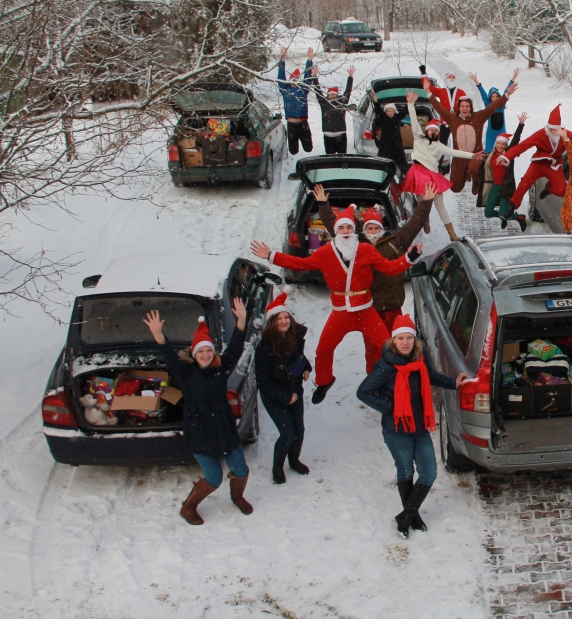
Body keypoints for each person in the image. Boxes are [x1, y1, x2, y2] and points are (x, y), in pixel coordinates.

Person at [250, 205, 422, 404]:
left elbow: (390, 268)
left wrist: (410, 258)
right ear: (336, 231)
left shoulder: (365, 250)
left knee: (388, 347)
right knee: (323, 350)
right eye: (342, 229)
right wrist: (272, 256)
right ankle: (324, 381)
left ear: (354, 230)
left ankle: (394, 381)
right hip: (341, 313)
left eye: (349, 228)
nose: (346, 232)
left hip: (366, 311)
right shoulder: (325, 253)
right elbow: (301, 264)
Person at [142, 299, 252, 525]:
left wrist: (241, 320)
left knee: (240, 469)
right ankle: (188, 507)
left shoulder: (221, 368)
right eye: (200, 351)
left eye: (208, 350)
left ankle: (238, 497)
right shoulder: (185, 372)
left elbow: (235, 347)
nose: (205, 354)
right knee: (214, 478)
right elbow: (170, 357)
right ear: (194, 353)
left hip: (224, 429)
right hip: (200, 432)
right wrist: (158, 335)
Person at [356, 315, 466, 538]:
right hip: (397, 430)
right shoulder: (385, 367)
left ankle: (406, 515)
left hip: (419, 426)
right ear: (393, 341)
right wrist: (390, 407)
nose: (405, 342)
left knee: (429, 473)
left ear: (414, 340)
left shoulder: (420, 356)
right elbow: (363, 392)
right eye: (400, 338)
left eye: (409, 338)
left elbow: (432, 376)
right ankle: (412, 517)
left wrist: (453, 383)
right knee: (405, 471)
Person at [315, 182, 435, 330]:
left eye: (376, 227)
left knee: (395, 341)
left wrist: (426, 202)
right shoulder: (355, 243)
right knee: (373, 346)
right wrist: (323, 205)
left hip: (392, 303)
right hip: (367, 305)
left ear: (381, 227)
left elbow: (415, 224)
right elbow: (335, 228)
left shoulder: (396, 240)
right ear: (364, 229)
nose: (373, 231)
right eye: (369, 228)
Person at [402, 90, 484, 242]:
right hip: (419, 174)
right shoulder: (418, 139)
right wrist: (410, 104)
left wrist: (473, 155)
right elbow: (413, 120)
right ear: (426, 131)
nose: (432, 131)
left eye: (435, 130)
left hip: (433, 176)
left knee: (440, 206)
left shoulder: (440, 146)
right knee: (422, 204)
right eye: (430, 129)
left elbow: (456, 152)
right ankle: (424, 221)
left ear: (438, 133)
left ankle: (451, 233)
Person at [502, 105, 572, 214]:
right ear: (547, 126)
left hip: (554, 164)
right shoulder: (540, 134)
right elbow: (524, 145)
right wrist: (506, 156)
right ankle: (512, 205)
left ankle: (548, 189)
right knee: (526, 181)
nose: (553, 131)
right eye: (551, 128)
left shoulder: (566, 135)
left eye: (555, 129)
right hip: (539, 162)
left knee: (562, 190)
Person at [254, 292, 312, 484]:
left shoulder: (294, 337)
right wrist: (284, 396)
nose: (284, 321)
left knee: (299, 431)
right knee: (287, 433)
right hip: (274, 395)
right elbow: (262, 381)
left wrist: (306, 367)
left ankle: (294, 461)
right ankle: (277, 467)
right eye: (279, 318)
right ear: (272, 322)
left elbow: (299, 357)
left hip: (294, 390)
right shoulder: (263, 348)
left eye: (286, 317)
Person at [427, 81, 516, 196]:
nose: (465, 108)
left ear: (471, 107)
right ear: (458, 107)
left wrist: (506, 95)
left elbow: (493, 107)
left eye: (467, 106)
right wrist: (428, 92)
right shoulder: (452, 118)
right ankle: (466, 172)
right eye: (462, 106)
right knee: (455, 188)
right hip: (459, 156)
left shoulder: (478, 117)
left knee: (474, 168)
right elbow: (438, 107)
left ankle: (476, 181)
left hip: (476, 154)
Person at [482, 114, 527, 230]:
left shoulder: (509, 155)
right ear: (495, 144)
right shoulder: (491, 156)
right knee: (487, 213)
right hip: (495, 187)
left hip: (506, 188)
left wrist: (521, 124)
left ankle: (519, 217)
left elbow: (516, 140)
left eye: (503, 144)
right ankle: (504, 217)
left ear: (506, 145)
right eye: (498, 143)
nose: (500, 146)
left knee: (503, 214)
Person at [277, 48, 315, 155]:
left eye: (298, 79)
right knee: (293, 151)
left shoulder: (303, 90)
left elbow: (308, 77)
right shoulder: (286, 89)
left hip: (303, 123)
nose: (296, 81)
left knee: (308, 148)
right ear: (290, 79)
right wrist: (282, 59)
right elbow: (280, 77)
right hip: (292, 124)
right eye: (294, 79)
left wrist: (309, 59)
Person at [469, 69, 519, 151]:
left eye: (496, 96)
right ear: (490, 98)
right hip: (490, 133)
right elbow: (482, 92)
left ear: (499, 97)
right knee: (488, 152)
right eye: (493, 96)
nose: (495, 98)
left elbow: (507, 91)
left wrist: (514, 77)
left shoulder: (502, 104)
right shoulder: (488, 105)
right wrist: (476, 81)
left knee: (504, 151)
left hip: (502, 132)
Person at [311, 64, 355, 154]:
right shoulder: (324, 103)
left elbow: (348, 91)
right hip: (328, 135)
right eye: (330, 94)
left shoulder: (342, 102)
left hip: (341, 134)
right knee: (330, 159)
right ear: (328, 95)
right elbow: (317, 90)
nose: (332, 95)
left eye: (334, 94)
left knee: (342, 159)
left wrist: (350, 77)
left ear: (337, 94)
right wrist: (314, 76)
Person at [419, 65, 466, 147]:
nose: (451, 78)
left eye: (453, 77)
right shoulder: (442, 91)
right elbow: (429, 87)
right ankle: (439, 159)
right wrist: (423, 73)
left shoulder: (461, 92)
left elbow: (466, 106)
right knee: (441, 144)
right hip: (445, 122)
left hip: (457, 121)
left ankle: (459, 159)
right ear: (446, 79)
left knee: (459, 145)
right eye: (449, 77)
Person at [369, 89, 408, 174]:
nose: (390, 113)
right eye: (388, 111)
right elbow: (378, 108)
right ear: (385, 112)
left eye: (391, 111)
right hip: (385, 146)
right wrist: (375, 98)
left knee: (401, 165)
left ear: (394, 111)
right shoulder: (383, 118)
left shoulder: (397, 117)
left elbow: (405, 111)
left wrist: (409, 102)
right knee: (384, 165)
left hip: (397, 145)